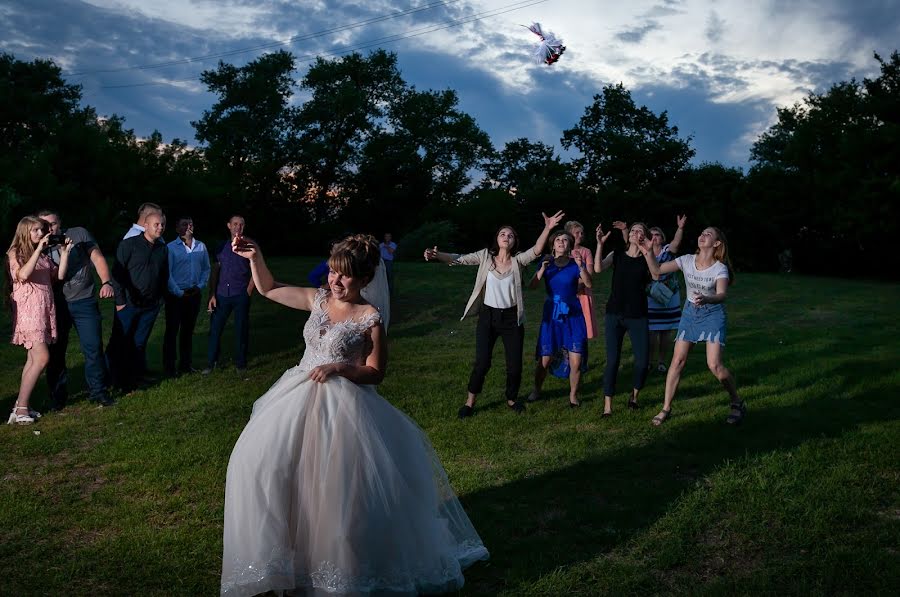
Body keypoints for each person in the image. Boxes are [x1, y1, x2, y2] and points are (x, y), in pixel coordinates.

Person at [220, 235, 488, 596]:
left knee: (336, 489)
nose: (336, 281)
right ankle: (281, 561)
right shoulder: (318, 300)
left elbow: (376, 372)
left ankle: (337, 566)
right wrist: (256, 256)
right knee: (260, 465)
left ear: (364, 279)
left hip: (344, 407)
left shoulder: (369, 318)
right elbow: (268, 288)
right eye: (333, 272)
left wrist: (341, 368)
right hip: (294, 397)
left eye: (345, 276)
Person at [424, 210, 564, 418]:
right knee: (482, 362)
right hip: (488, 317)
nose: (506, 237)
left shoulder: (518, 261)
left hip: (511, 319)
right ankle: (470, 402)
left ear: (515, 241)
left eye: (510, 235)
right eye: (503, 234)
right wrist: (437, 255)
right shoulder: (485, 257)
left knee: (514, 365)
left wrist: (548, 228)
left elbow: (536, 250)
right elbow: (459, 259)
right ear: (497, 239)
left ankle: (511, 399)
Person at [649, 227, 743, 426]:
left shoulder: (719, 268)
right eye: (701, 233)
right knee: (677, 361)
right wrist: (647, 251)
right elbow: (656, 272)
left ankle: (736, 401)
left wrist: (707, 299)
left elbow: (722, 295)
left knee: (714, 365)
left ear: (717, 243)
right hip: (690, 313)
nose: (702, 235)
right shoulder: (686, 260)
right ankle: (666, 408)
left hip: (713, 314)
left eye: (708, 234)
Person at [38, 210, 116, 409]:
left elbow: (97, 257)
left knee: (93, 347)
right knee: (56, 352)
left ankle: (98, 391)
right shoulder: (37, 243)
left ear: (60, 223)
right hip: (55, 304)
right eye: (45, 225)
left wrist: (106, 282)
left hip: (84, 300)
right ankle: (57, 396)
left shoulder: (79, 234)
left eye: (53, 224)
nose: (50, 228)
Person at [6, 216, 73, 424]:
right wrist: (37, 250)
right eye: (35, 231)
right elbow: (23, 275)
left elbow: (59, 276)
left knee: (33, 360)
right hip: (29, 313)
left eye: (41, 230)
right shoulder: (15, 253)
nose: (40, 234)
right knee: (42, 358)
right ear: (25, 232)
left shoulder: (43, 256)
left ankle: (20, 406)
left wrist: (64, 254)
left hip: (43, 311)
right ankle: (21, 408)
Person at [594, 221, 658, 416]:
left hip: (638, 315)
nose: (634, 232)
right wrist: (599, 245)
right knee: (612, 361)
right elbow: (597, 269)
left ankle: (634, 396)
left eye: (639, 230)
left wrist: (647, 251)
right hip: (614, 313)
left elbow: (655, 276)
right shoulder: (618, 254)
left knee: (642, 362)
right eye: (632, 230)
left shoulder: (648, 258)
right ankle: (608, 406)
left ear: (644, 236)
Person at [527, 230, 592, 407]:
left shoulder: (575, 263)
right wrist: (541, 269)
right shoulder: (546, 262)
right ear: (552, 244)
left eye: (565, 240)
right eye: (558, 239)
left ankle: (573, 395)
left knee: (576, 359)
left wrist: (581, 266)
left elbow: (589, 283)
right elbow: (532, 286)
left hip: (573, 314)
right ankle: (536, 389)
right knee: (545, 358)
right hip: (552, 314)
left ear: (570, 244)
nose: (561, 242)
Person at [107, 212, 168, 392]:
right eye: (156, 224)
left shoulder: (162, 248)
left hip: (151, 305)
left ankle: (133, 379)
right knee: (121, 343)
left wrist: (160, 299)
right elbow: (117, 274)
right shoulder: (129, 245)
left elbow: (164, 274)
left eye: (162, 225)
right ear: (146, 226)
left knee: (139, 342)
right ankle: (113, 380)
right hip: (128, 304)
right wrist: (120, 301)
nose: (160, 228)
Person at [204, 215, 254, 374]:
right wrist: (212, 294)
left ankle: (241, 364)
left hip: (240, 294)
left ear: (244, 227)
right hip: (221, 295)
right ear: (229, 226)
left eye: (241, 224)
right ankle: (211, 363)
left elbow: (256, 271)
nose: (238, 227)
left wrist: (248, 291)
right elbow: (215, 271)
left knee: (241, 329)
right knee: (215, 329)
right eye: (235, 224)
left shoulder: (249, 246)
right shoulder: (221, 246)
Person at [163, 216, 210, 377]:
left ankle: (185, 365)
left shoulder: (201, 246)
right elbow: (167, 273)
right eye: (184, 224)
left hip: (194, 294)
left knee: (188, 332)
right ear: (177, 228)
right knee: (172, 331)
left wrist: (200, 286)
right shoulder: (170, 248)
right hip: (176, 295)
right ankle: (169, 368)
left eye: (190, 223)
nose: (188, 226)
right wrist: (178, 292)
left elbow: (206, 269)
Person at [647, 215, 687, 372]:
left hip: (669, 296)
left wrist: (680, 228)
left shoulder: (667, 251)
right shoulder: (644, 252)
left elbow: (676, 244)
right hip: (650, 296)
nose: (655, 237)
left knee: (665, 331)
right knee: (651, 331)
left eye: (657, 234)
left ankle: (662, 362)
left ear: (662, 238)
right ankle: (650, 361)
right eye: (652, 234)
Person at [564, 220, 597, 338]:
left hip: (582, 294)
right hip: (565, 294)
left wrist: (577, 283)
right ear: (568, 234)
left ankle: (581, 355)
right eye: (577, 233)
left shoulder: (586, 251)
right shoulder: (562, 250)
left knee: (582, 329)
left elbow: (590, 274)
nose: (580, 235)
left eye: (582, 233)